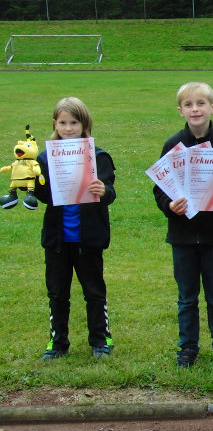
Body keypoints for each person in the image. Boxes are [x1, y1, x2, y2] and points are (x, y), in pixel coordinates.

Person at [153, 82, 213, 368]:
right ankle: (187, 349)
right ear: (180, 110)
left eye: (201, 103)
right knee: (186, 298)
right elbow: (160, 188)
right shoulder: (173, 145)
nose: (195, 109)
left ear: (212, 107)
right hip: (182, 236)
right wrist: (169, 205)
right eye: (189, 105)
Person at [33, 97, 116, 361]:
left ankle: (101, 340)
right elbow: (44, 196)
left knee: (94, 290)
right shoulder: (44, 158)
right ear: (55, 124)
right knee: (57, 292)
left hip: (88, 237)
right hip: (58, 238)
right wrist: (31, 182)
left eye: (74, 122)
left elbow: (110, 192)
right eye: (63, 123)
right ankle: (58, 342)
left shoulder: (98, 156)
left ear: (85, 124)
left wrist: (103, 191)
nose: (68, 128)